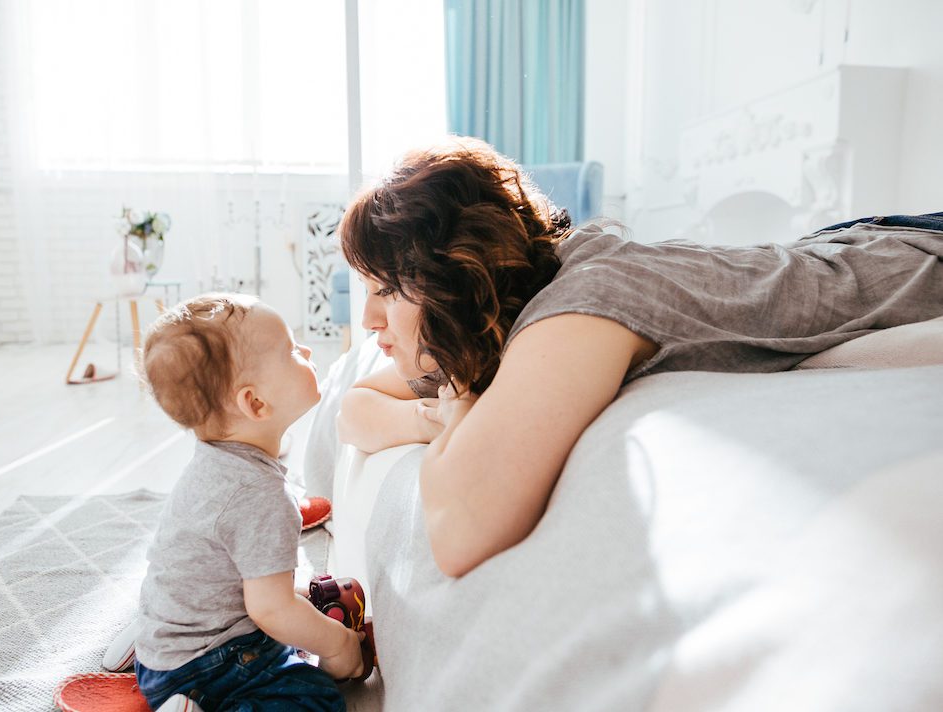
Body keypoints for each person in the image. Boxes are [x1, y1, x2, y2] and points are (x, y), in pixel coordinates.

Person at [335, 135, 943, 579]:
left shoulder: (579, 308)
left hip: (913, 255)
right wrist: (428, 418)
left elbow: (460, 529)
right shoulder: (506, 311)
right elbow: (353, 410)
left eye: (387, 291)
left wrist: (461, 412)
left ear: (459, 279)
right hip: (846, 240)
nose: (369, 323)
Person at [134, 293, 363, 712]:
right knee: (315, 698)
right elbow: (271, 610)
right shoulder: (259, 497)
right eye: (292, 350)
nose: (307, 351)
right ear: (255, 403)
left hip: (165, 646)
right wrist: (339, 644)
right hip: (206, 665)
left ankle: (152, 660)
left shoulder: (214, 463)